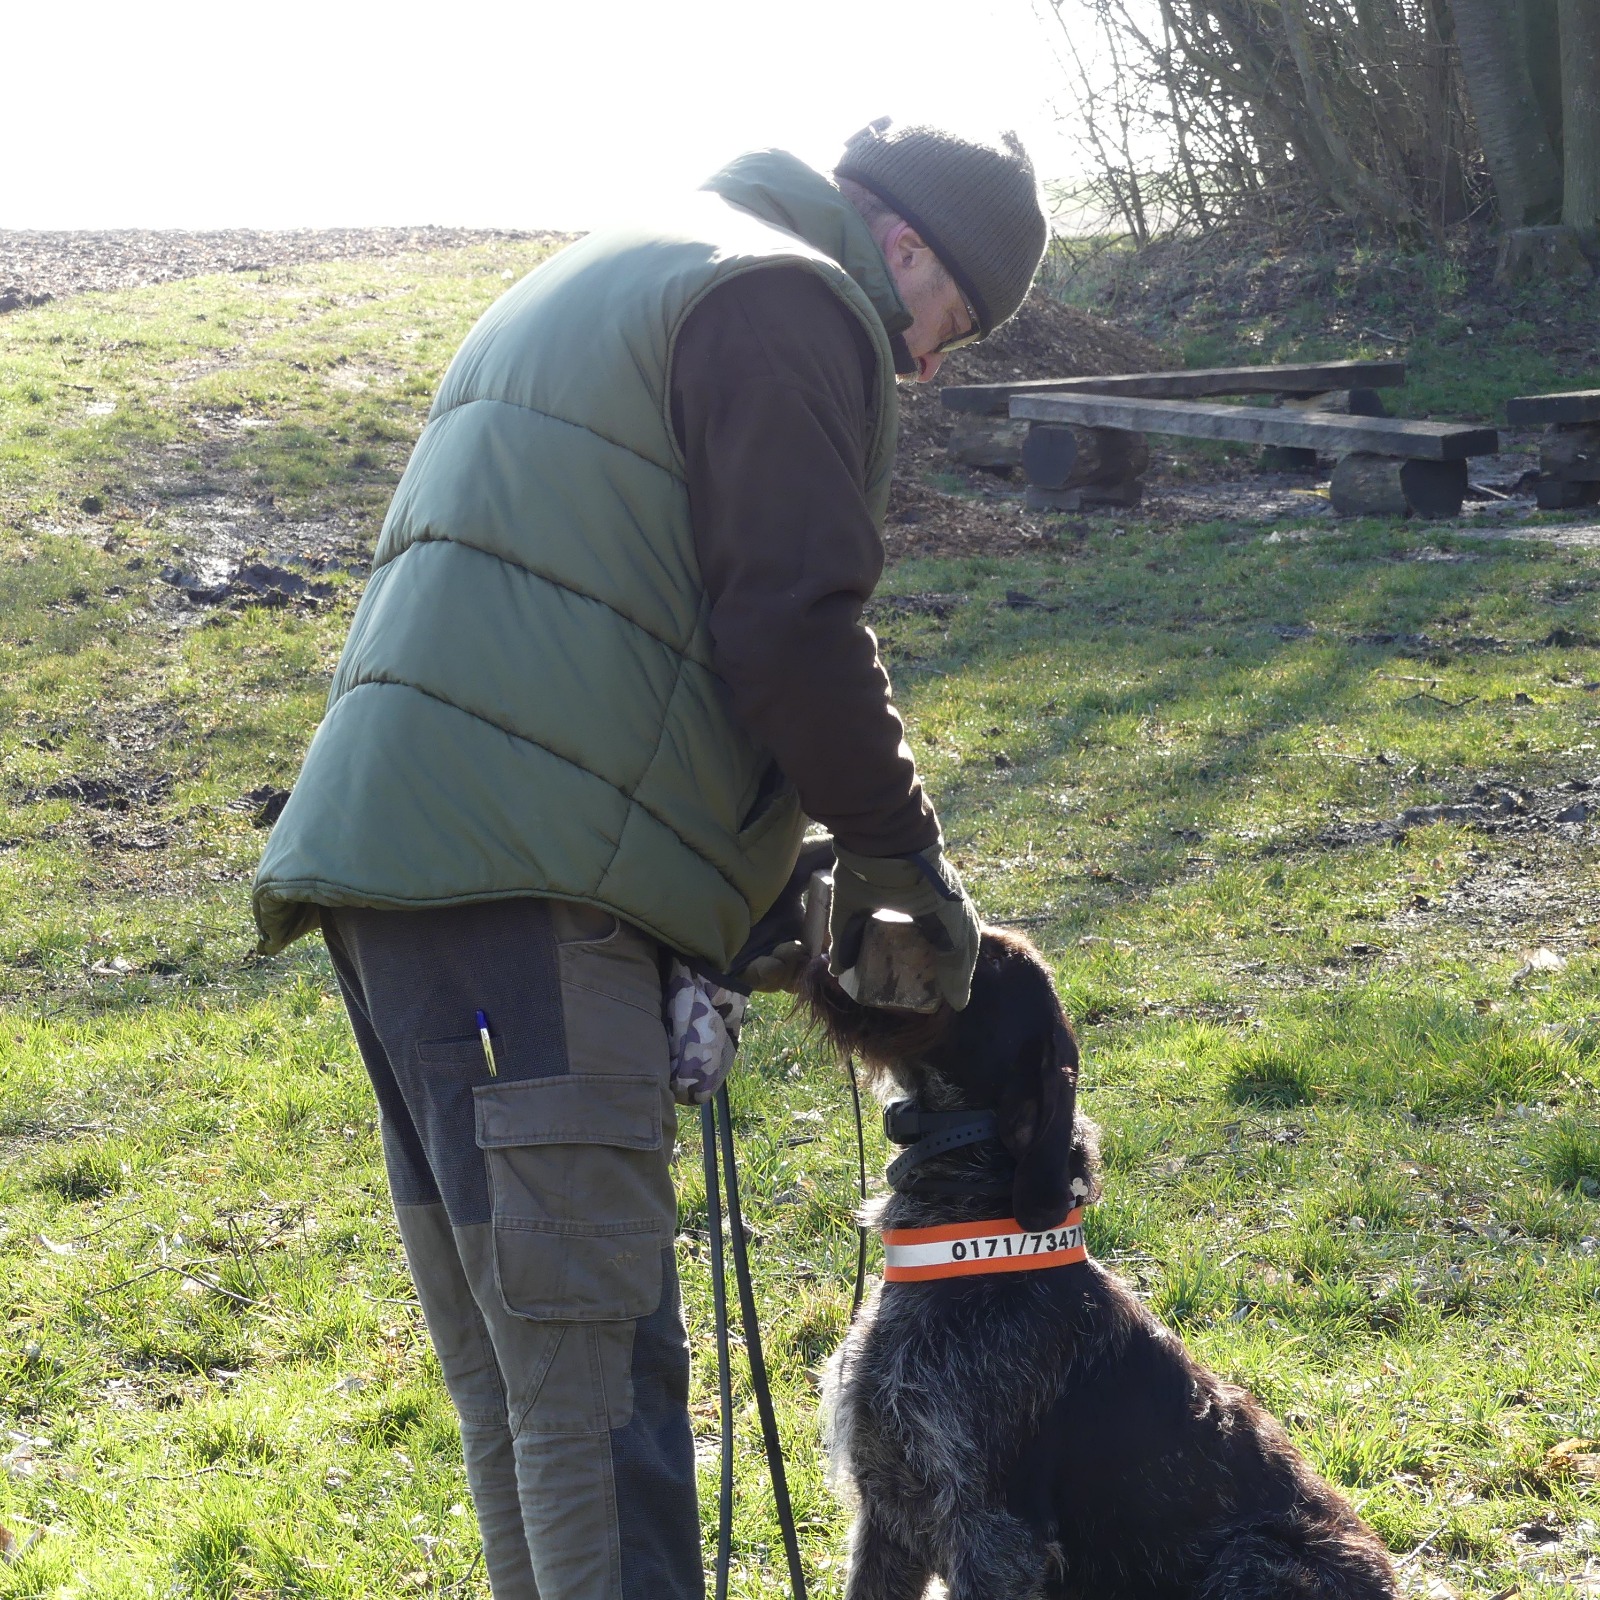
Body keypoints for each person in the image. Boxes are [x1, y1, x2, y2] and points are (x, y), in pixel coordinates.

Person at [250, 118, 1048, 1600]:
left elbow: (617, 631)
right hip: (528, 894)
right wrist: (899, 858)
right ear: (905, 249)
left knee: (527, 1396)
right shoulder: (788, 300)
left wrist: (743, 892)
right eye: (948, 326)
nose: (930, 367)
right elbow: (791, 626)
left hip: (403, 871)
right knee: (601, 1398)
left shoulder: (638, 262)